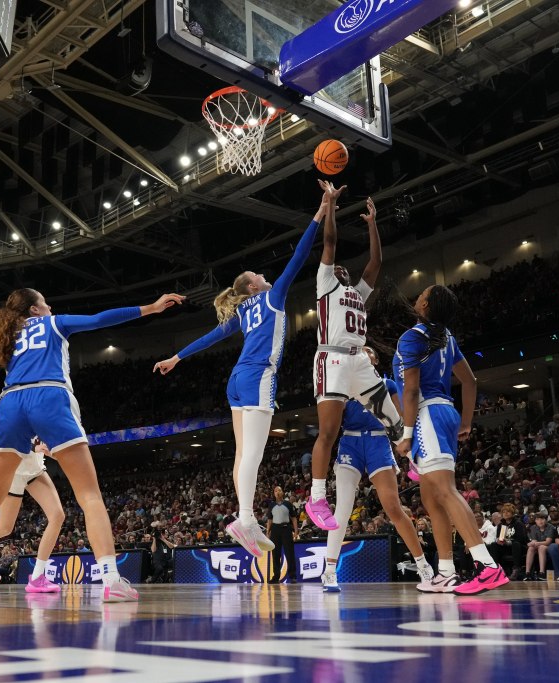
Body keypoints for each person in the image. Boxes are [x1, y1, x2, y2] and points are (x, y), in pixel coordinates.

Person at [0, 288, 184, 602]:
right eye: (45, 301)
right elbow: (100, 319)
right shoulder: (53, 323)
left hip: (12, 403)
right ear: (34, 310)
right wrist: (150, 308)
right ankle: (112, 581)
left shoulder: (6, 336)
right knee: (89, 495)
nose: (50, 305)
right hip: (49, 397)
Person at [153, 181, 330, 558]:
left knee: (240, 455)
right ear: (252, 286)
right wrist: (321, 209)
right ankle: (245, 518)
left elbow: (210, 338)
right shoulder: (271, 296)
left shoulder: (242, 310)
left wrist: (176, 358)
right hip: (258, 375)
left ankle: (243, 516)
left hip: (235, 380)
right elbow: (300, 256)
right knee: (254, 453)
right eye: (259, 275)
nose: (265, 276)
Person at [393, 285, 508, 595]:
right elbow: (469, 380)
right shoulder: (447, 337)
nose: (416, 296)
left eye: (422, 294)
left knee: (444, 491)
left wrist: (405, 434)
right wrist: (466, 422)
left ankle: (487, 567)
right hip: (445, 414)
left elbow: (412, 391)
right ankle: (446, 571)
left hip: (427, 414)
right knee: (431, 499)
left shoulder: (412, 338)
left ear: (426, 305)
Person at [307, 192, 403, 531]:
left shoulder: (357, 294)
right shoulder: (326, 284)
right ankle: (317, 497)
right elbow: (330, 241)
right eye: (338, 267)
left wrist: (373, 225)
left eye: (346, 269)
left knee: (395, 422)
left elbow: (376, 263)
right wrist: (331, 205)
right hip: (331, 358)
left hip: (358, 360)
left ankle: (414, 458)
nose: (343, 268)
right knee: (329, 431)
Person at [322, 356, 434, 594]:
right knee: (342, 508)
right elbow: (332, 419)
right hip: (350, 441)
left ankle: (423, 566)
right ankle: (329, 571)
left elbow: (400, 420)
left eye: (369, 353)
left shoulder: (388, 384)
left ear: (372, 360)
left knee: (393, 507)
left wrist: (408, 446)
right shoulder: (343, 386)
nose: (364, 355)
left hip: (378, 442)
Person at [0, 437, 65, 593]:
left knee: (58, 516)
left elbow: (54, 451)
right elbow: (9, 435)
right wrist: (31, 447)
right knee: (4, 527)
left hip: (35, 471)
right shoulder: (22, 413)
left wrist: (54, 452)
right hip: (14, 472)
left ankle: (36, 577)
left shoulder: (50, 418)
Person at [266, 486, 298, 583]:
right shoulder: (271, 505)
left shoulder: (288, 504)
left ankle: (292, 576)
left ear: (282, 492)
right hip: (275, 530)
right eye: (275, 491)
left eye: (279, 490)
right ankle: (276, 576)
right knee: (275, 554)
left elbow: (293, 518)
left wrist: (296, 531)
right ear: (274, 494)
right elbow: (270, 520)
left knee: (289, 553)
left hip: (286, 529)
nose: (277, 492)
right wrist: (268, 532)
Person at [524, 511, 554, 580]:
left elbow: (548, 542)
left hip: (549, 546)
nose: (540, 521)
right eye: (537, 519)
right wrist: (532, 543)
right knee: (531, 548)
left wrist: (536, 543)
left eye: (542, 519)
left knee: (541, 547)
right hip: (538, 545)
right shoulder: (533, 528)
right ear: (535, 521)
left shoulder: (550, 527)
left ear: (546, 520)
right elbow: (534, 540)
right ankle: (527, 573)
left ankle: (542, 573)